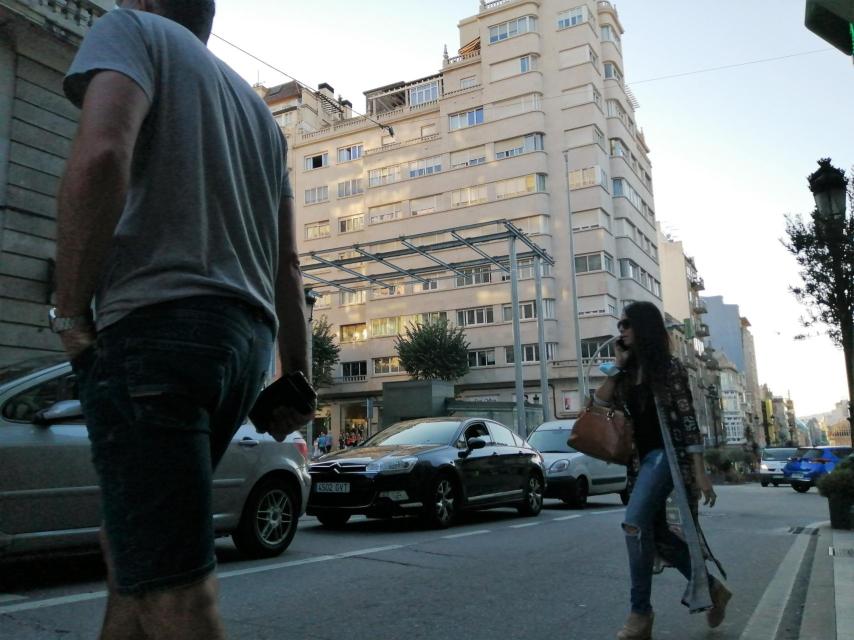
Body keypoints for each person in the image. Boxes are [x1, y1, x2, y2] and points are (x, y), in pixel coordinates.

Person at [53, 1, 312, 638]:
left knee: (178, 596)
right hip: (242, 345)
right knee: (139, 556)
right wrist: (298, 377)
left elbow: (101, 157)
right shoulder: (260, 116)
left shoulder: (130, 32)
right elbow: (291, 269)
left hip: (155, 329)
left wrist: (71, 310)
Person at [594, 301, 730, 640]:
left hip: (667, 457)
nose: (621, 330)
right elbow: (600, 403)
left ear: (643, 327)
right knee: (659, 537)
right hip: (640, 463)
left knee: (634, 523)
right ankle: (713, 590)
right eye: (620, 325)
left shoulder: (669, 369)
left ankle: (640, 613)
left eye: (626, 324)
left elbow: (687, 421)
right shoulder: (627, 371)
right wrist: (618, 364)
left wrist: (700, 472)